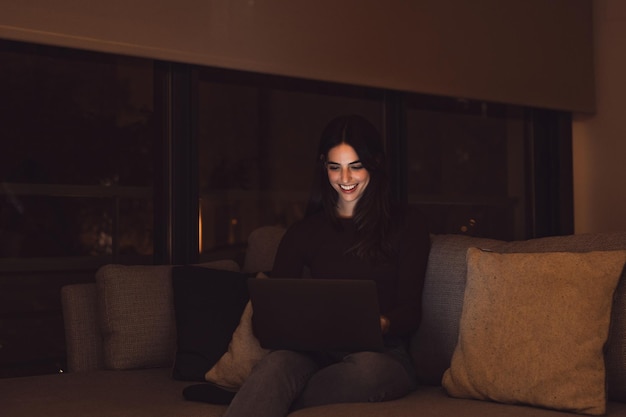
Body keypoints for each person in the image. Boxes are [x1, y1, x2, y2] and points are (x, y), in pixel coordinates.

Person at [222, 114, 431, 417]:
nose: (345, 179)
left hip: (382, 355)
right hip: (312, 353)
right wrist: (280, 323)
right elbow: (270, 317)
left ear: (375, 163)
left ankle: (271, 401)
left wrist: (381, 323)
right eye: (335, 167)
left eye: (356, 166)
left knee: (369, 372)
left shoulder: (408, 225)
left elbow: (411, 312)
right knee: (276, 364)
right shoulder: (303, 232)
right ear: (324, 167)